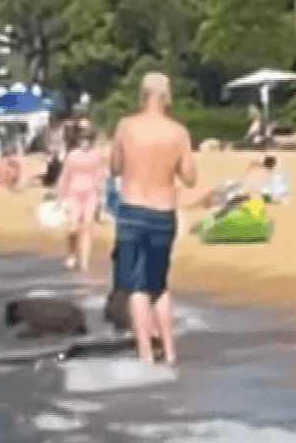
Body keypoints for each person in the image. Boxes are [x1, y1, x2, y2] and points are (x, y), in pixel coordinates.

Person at [109, 72, 196, 364]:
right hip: (163, 211)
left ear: (142, 94)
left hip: (133, 209)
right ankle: (170, 351)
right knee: (158, 284)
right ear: (166, 95)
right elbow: (190, 176)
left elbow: (115, 166)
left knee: (136, 286)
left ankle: (146, 354)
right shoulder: (178, 132)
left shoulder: (126, 126)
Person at [57, 126, 107, 271]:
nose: (84, 142)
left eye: (87, 139)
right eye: (82, 139)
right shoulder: (72, 155)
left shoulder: (98, 155)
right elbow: (65, 175)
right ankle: (72, 254)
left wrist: (102, 198)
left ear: (92, 141)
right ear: (78, 141)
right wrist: (60, 196)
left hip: (91, 194)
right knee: (73, 227)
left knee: (88, 225)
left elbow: (101, 175)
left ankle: (84, 260)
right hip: (73, 193)